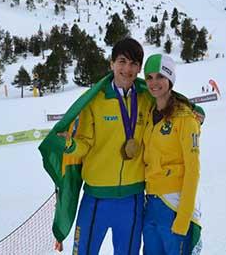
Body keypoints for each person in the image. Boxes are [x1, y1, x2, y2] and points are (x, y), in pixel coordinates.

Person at [55, 37, 153, 254]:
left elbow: (173, 103)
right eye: (122, 61)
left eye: (134, 63)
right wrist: (70, 145)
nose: (127, 69)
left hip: (133, 198)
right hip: (96, 199)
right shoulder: (94, 100)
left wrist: (196, 113)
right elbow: (85, 143)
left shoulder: (147, 98)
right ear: (111, 64)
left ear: (139, 68)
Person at [142, 54, 202, 254]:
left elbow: (193, 171)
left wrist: (183, 219)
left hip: (175, 206)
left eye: (160, 76)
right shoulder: (150, 116)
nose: (154, 83)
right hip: (151, 205)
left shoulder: (186, 118)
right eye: (149, 77)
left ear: (170, 79)